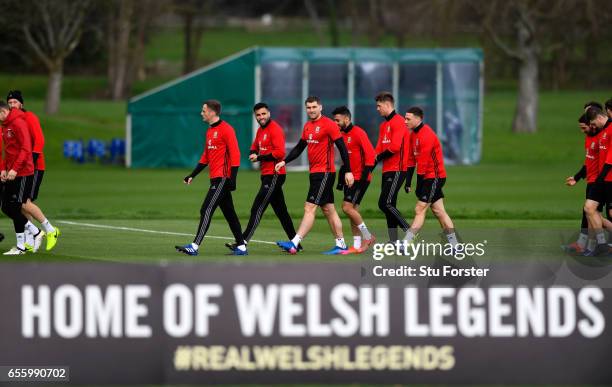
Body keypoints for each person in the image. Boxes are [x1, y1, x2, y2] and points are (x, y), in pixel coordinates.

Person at [275, 96, 354, 255]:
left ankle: (294, 243)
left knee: (309, 207)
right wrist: (284, 161)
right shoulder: (307, 126)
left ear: (320, 107)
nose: (311, 110)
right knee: (328, 210)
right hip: (315, 173)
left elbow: (342, 148)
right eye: (308, 107)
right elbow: (299, 148)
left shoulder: (329, 125)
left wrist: (348, 170)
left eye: (314, 107)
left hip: (325, 173)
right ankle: (341, 245)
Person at [224, 102, 300, 252]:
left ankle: (242, 242)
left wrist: (258, 157)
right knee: (281, 212)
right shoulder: (260, 131)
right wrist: (253, 152)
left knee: (257, 208)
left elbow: (279, 153)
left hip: (275, 175)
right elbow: (254, 146)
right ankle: (296, 244)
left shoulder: (275, 129)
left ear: (269, 113)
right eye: (258, 115)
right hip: (266, 175)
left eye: (263, 114)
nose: (261, 117)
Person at [175, 100, 247, 256]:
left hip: (223, 178)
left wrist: (232, 179)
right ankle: (241, 246)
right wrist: (192, 175)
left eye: (204, 110)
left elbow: (236, 155)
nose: (201, 113)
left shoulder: (227, 129)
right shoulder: (209, 131)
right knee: (230, 213)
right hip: (215, 178)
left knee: (206, 209)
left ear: (212, 112)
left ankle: (194, 246)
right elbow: (205, 157)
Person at [6, 90, 59, 252]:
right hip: (20, 167)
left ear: (21, 104)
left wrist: (32, 162)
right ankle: (30, 239)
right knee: (20, 203)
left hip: (34, 166)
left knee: (24, 201)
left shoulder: (29, 117)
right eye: (10, 103)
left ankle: (50, 230)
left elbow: (39, 140)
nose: (12, 105)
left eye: (15, 102)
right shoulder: (11, 122)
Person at [402, 106, 458, 248]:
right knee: (439, 212)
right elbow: (410, 160)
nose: (405, 121)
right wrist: (408, 181)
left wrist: (419, 186)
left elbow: (423, 162)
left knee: (420, 209)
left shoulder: (427, 135)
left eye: (408, 119)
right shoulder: (412, 135)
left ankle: (405, 243)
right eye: (405, 118)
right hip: (427, 177)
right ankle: (455, 246)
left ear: (418, 118)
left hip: (434, 177)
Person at [565, 113, 611, 254]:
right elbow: (588, 162)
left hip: (601, 180)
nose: (584, 129)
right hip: (594, 180)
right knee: (592, 212)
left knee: (591, 211)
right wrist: (577, 177)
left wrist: (600, 178)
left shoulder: (603, 135)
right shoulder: (589, 138)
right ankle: (591, 246)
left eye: (586, 126)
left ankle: (593, 245)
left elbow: (606, 160)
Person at [332, 106, 376, 254]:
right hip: (349, 178)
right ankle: (357, 245)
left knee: (346, 208)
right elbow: (346, 161)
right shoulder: (340, 135)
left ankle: (368, 236)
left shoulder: (359, 133)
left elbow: (371, 156)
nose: (335, 123)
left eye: (338, 120)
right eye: (334, 120)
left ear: (347, 119)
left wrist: (363, 179)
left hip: (360, 178)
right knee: (352, 211)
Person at [373, 92, 411, 242]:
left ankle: (408, 229)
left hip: (398, 169)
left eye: (379, 106)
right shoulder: (383, 125)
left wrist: (378, 157)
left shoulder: (399, 121)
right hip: (387, 169)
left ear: (387, 105)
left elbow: (394, 147)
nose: (377, 109)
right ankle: (394, 241)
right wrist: (370, 165)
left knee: (385, 203)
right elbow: (378, 148)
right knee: (390, 206)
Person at [0, 100, 34, 255]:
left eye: (0, 114)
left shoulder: (18, 123)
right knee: (7, 207)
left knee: (14, 207)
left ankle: (22, 245)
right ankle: (35, 232)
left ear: (5, 111)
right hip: (12, 172)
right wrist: (4, 169)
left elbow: (26, 148)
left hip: (23, 171)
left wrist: (14, 168)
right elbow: (8, 151)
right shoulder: (5, 125)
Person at [586, 106, 612, 256]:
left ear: (601, 117)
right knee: (589, 208)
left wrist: (600, 178)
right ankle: (601, 244)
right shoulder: (603, 131)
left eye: (594, 123)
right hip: (602, 179)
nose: (593, 126)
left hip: (608, 178)